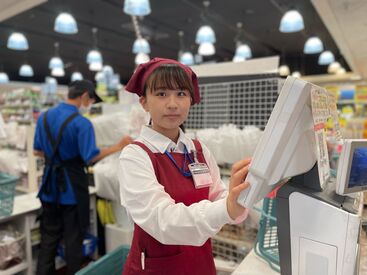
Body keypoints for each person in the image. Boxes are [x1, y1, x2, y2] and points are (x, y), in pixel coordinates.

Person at [118, 58, 251, 275]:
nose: (173, 104)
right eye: (161, 94)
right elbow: (163, 220)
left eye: (181, 93)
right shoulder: (135, 156)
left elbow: (218, 194)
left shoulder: (199, 150)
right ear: (143, 102)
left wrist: (242, 195)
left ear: (191, 99)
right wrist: (227, 208)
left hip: (200, 263)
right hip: (156, 268)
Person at [33, 80, 132, 275]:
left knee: (48, 238)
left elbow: (37, 152)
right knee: (73, 239)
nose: (90, 105)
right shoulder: (81, 123)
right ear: (85, 96)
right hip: (71, 187)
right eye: (91, 100)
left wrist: (56, 158)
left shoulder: (43, 117)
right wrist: (119, 146)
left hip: (49, 186)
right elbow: (91, 156)